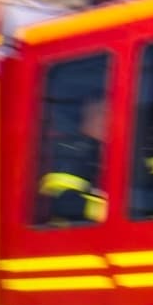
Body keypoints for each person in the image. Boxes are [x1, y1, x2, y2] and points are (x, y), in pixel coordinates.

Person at [39, 95, 109, 225]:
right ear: (83, 119)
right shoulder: (69, 152)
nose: (109, 120)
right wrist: (111, 211)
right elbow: (62, 202)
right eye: (102, 113)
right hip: (66, 235)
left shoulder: (106, 154)